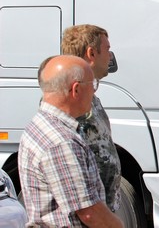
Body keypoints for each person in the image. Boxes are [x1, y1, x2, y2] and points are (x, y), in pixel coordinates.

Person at [18, 55, 123, 227]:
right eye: (93, 85)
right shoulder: (61, 142)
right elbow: (89, 213)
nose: (94, 91)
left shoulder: (41, 124)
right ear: (76, 90)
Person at [61, 24, 122, 212]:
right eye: (107, 49)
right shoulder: (71, 99)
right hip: (89, 213)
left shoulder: (89, 97)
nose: (110, 56)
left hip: (102, 209)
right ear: (91, 53)